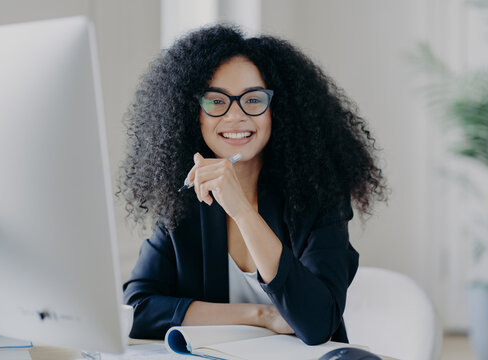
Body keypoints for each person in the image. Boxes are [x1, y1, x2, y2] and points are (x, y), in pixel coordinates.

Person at [119, 24, 387, 346]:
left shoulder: (317, 196)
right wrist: (261, 316)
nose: (235, 116)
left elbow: (317, 322)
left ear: (278, 110)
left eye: (253, 99)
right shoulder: (186, 199)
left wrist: (242, 211)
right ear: (194, 114)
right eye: (216, 101)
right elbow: (138, 308)